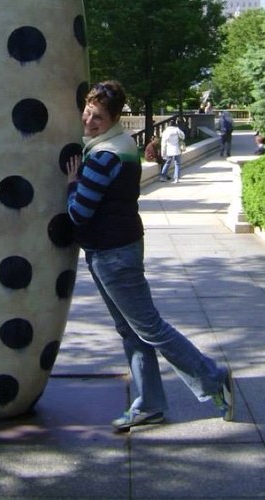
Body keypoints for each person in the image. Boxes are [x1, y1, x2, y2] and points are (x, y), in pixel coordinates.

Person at [65, 80, 233, 432]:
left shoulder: (104, 155)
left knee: (149, 328)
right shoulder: (118, 144)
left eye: (97, 117)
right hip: (119, 247)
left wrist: (71, 183)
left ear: (113, 118)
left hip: (111, 254)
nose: (88, 121)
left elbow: (79, 212)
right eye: (87, 112)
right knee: (132, 331)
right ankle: (149, 405)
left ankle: (212, 377)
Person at [160, 119, 185, 183]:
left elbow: (163, 143)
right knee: (177, 163)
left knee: (167, 163)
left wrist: (163, 152)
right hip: (177, 149)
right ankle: (176, 178)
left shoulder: (166, 131)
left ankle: (163, 176)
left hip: (169, 149)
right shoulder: (177, 130)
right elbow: (183, 136)